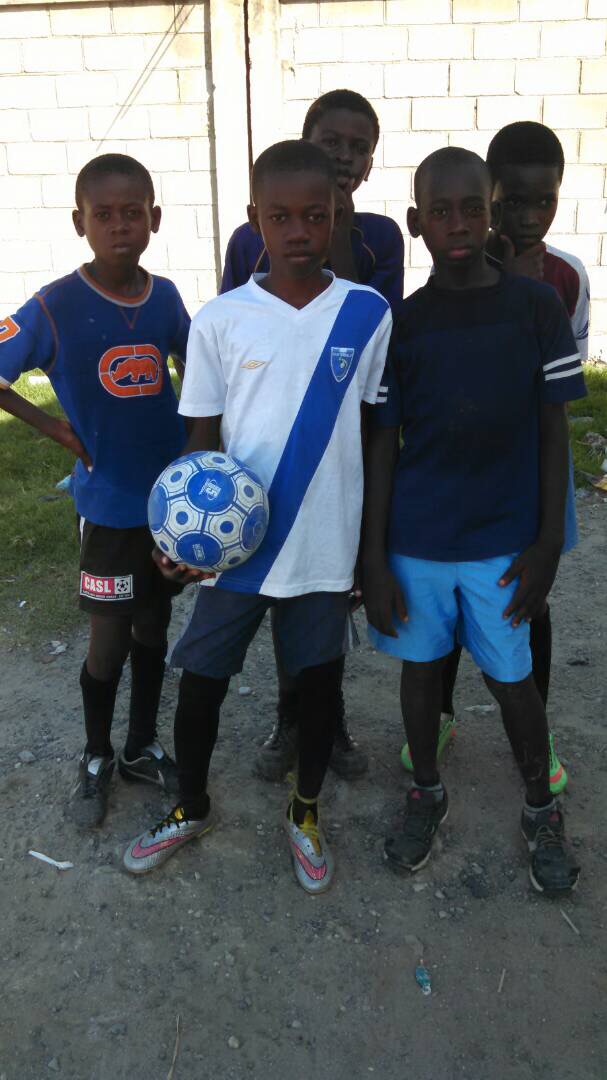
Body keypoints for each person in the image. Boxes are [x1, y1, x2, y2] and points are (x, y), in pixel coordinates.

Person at [123, 140, 392, 892]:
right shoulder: (220, 319)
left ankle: (305, 812)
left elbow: (378, 432)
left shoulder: (367, 314)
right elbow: (201, 439)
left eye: (316, 215)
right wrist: (177, 537)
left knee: (318, 685)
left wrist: (371, 552)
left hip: (324, 543)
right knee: (201, 679)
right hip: (234, 546)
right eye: (281, 217)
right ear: (255, 219)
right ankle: (190, 805)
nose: (299, 231)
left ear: (338, 216)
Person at [363, 147, 583, 895]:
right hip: (418, 540)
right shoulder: (402, 323)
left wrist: (547, 542)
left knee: (513, 681)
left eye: (472, 209)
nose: (457, 224)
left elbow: (553, 432)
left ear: (490, 215)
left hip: (503, 541)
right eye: (440, 211)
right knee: (422, 673)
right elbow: (383, 445)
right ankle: (425, 790)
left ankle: (540, 805)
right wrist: (374, 559)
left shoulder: (536, 308)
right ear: (415, 221)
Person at [0, 154, 190, 827]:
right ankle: (96, 754)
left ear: (154, 219)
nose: (119, 226)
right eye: (103, 215)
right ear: (79, 222)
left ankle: (140, 745)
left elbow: (199, 370)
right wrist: (56, 428)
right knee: (107, 640)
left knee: (153, 627)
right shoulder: (54, 305)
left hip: (167, 505)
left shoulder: (165, 297)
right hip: (108, 509)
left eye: (132, 213)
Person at [401, 123, 590, 797]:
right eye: (513, 203)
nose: (527, 217)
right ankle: (440, 716)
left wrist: (547, 533)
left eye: (544, 202)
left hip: (528, 469)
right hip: (452, 490)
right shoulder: (437, 292)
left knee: (526, 602)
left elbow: (554, 401)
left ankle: (535, 735)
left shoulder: (561, 281)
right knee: (444, 614)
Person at [222, 89, 405, 784]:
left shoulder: (379, 236)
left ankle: (330, 721)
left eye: (360, 148)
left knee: (329, 589)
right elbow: (239, 324)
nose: (346, 156)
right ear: (307, 142)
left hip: (346, 439)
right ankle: (288, 717)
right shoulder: (252, 236)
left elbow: (365, 322)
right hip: (274, 444)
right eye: (333, 142)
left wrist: (344, 226)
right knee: (283, 581)